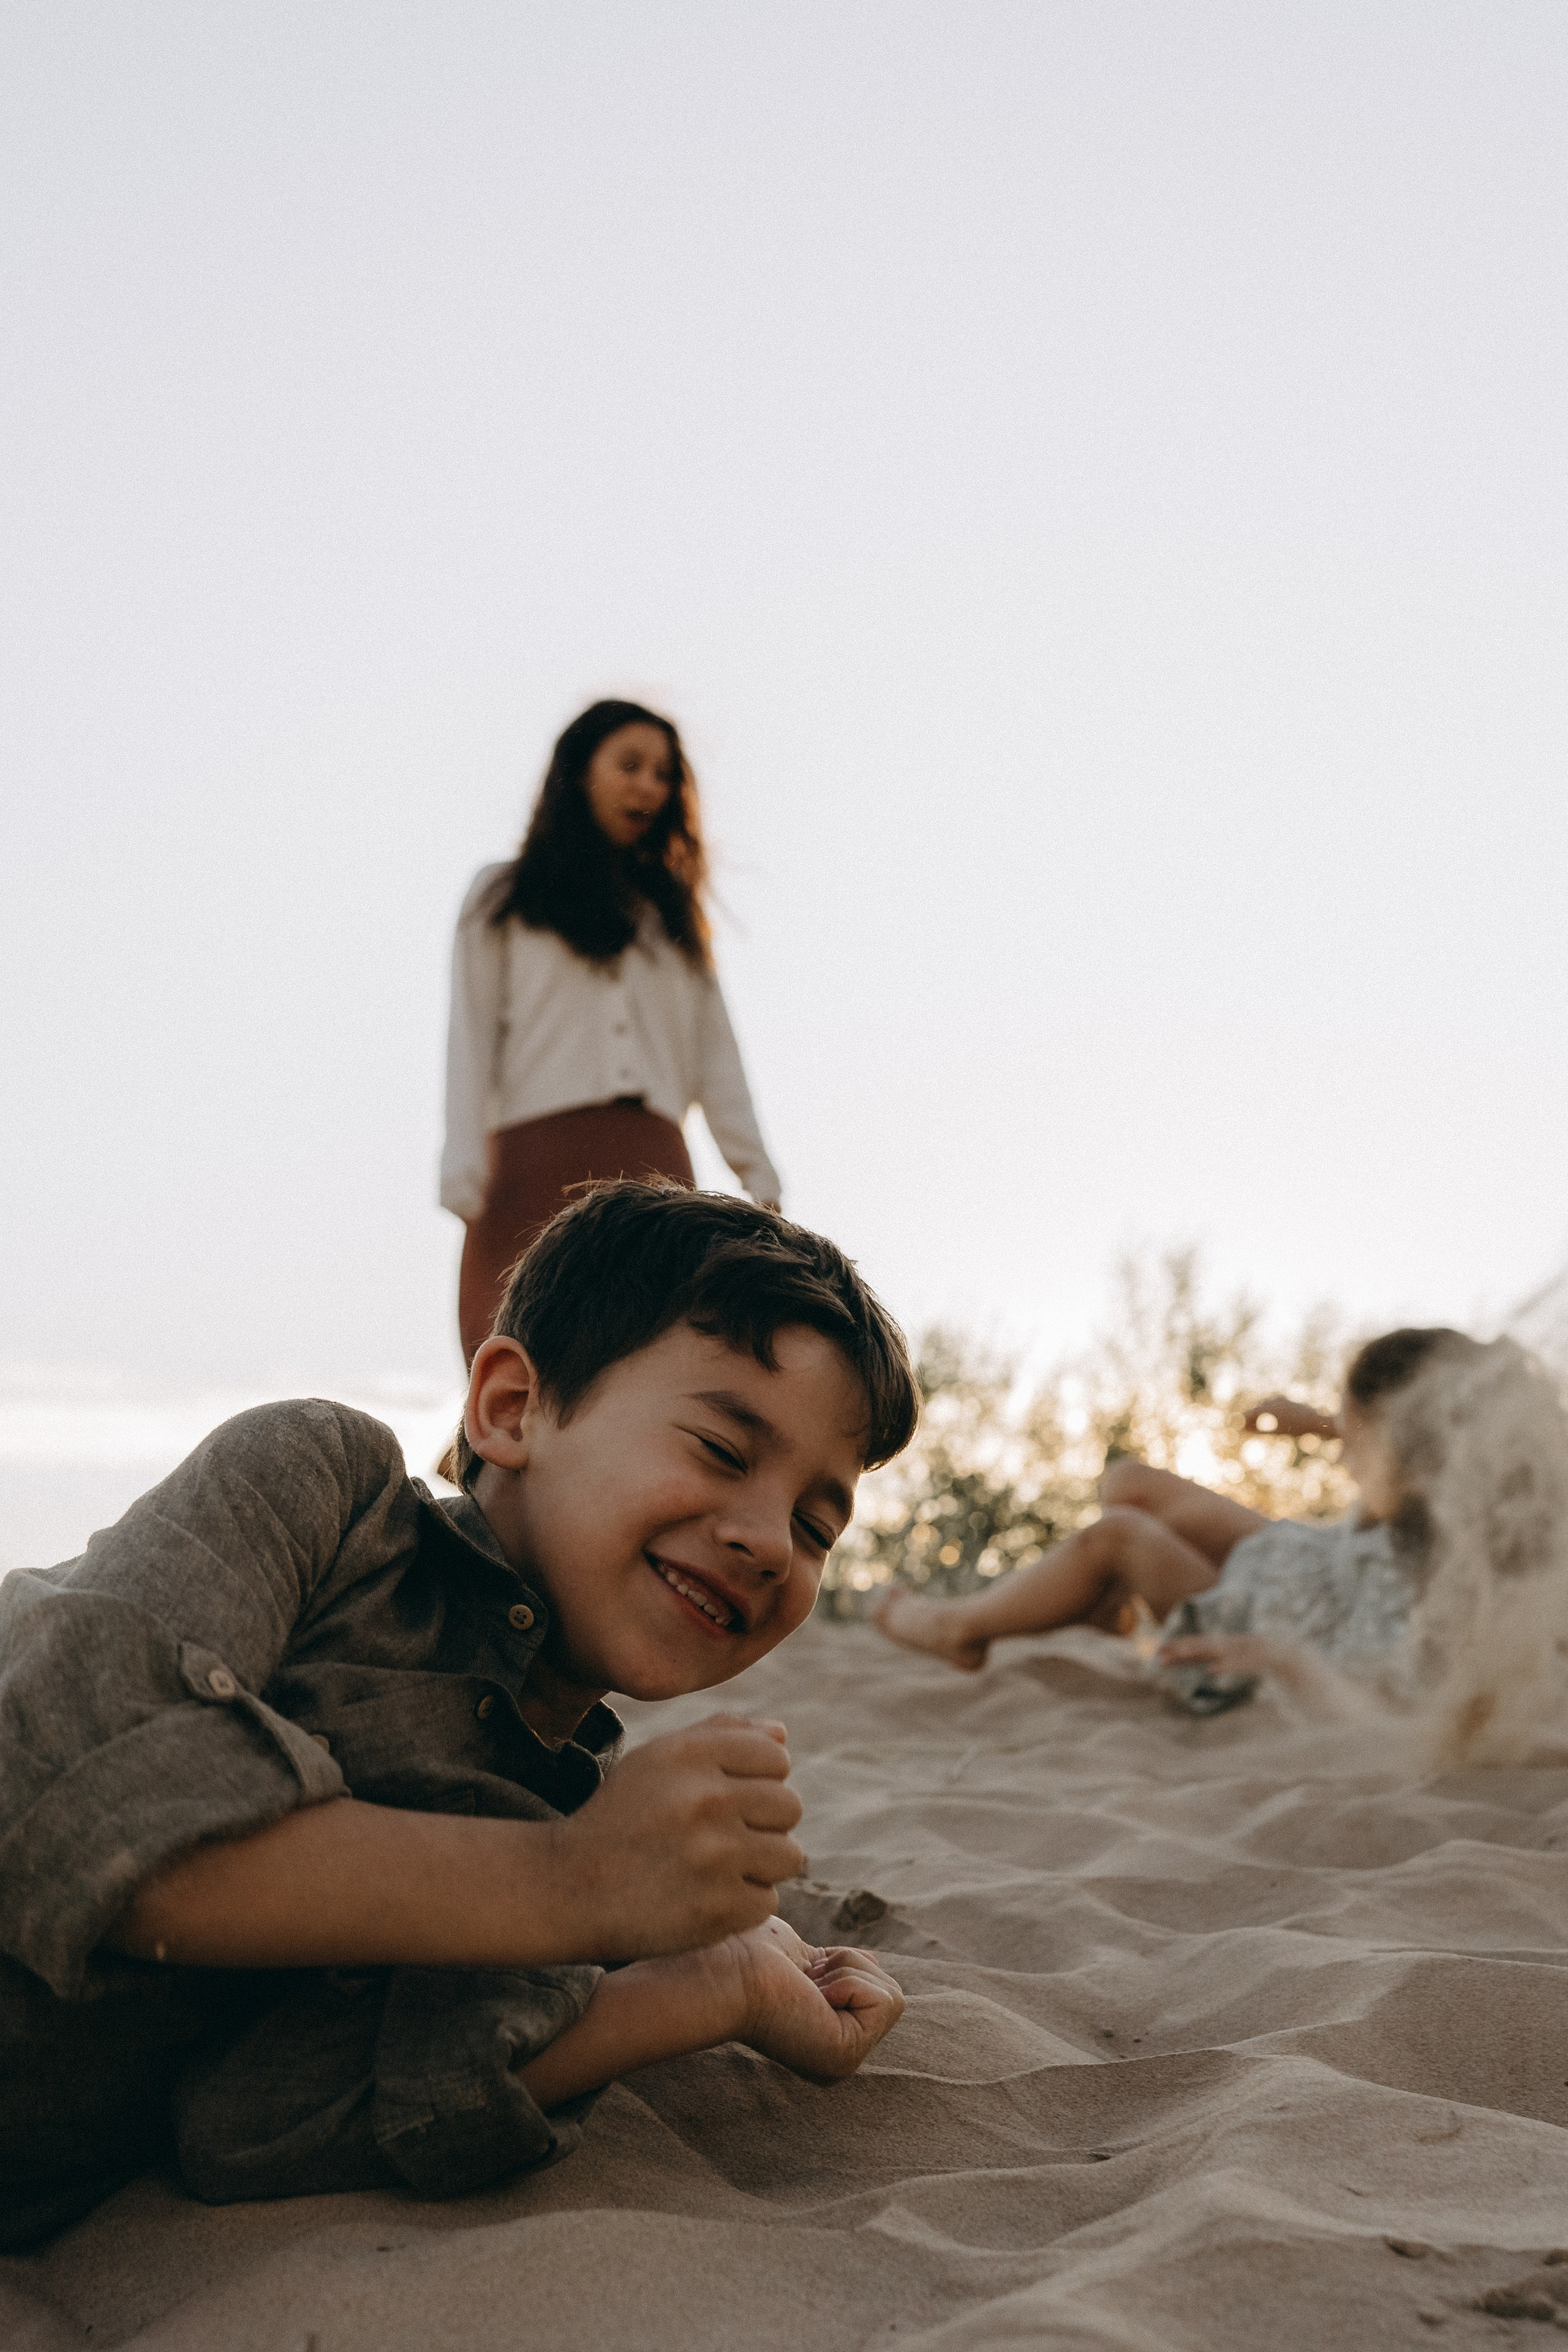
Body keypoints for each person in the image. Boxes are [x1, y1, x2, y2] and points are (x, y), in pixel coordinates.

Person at [0, 1185, 916, 2250]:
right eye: (720, 1448)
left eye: (817, 1525)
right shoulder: (319, 1491)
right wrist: (577, 1886)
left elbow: (252, 2122)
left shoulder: (567, 1802)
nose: (769, 1540)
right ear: (512, 1408)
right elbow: (68, 1802)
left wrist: (708, 1984)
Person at [872, 1327, 1485, 1698]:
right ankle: (1095, 1603)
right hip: (1303, 1564)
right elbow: (1395, 1447)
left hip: (1260, 1618)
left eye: (1352, 1433)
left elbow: (1382, 1685)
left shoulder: (1429, 1565)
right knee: (1130, 1482)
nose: (1342, 1450)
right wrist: (1319, 1424)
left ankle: (960, 1629)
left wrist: (1277, 1658)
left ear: (1398, 1443)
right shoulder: (1422, 1486)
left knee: (1118, 1537)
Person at [442, 699, 783, 1364]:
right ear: (579, 773)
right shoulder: (502, 897)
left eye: (663, 774)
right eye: (630, 766)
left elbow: (719, 1056)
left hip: (653, 1167)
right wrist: (462, 1162)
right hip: (528, 1161)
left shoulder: (671, 919)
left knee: (651, 1357)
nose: (649, 787)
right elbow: (470, 1035)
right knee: (519, 1352)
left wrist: (756, 1170)